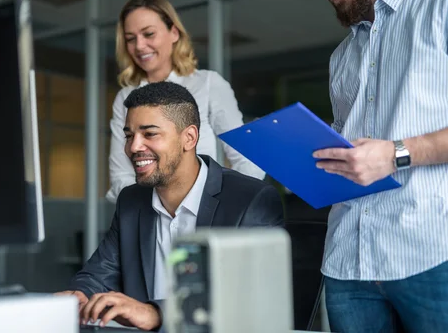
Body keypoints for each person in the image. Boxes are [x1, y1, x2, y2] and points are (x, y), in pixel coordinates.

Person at [284, 0, 448, 331]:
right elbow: (351, 156)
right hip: (348, 264)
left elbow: (384, 154)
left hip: (435, 255)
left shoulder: (447, 4)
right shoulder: (341, 58)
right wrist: (310, 158)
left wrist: (395, 153)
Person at [58, 81, 284, 331]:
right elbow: (99, 273)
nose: (133, 147)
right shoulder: (131, 201)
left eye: (150, 133)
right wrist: (80, 293)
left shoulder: (251, 199)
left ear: (189, 138)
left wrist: (157, 313)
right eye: (129, 135)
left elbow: (250, 299)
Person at [105, 0, 266, 203]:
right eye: (130, 39)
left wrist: (225, 208)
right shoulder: (125, 97)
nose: (140, 46)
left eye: (149, 34)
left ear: (173, 32)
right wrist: (150, 212)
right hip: (147, 221)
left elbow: (247, 159)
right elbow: (121, 176)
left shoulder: (208, 84)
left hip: (205, 220)